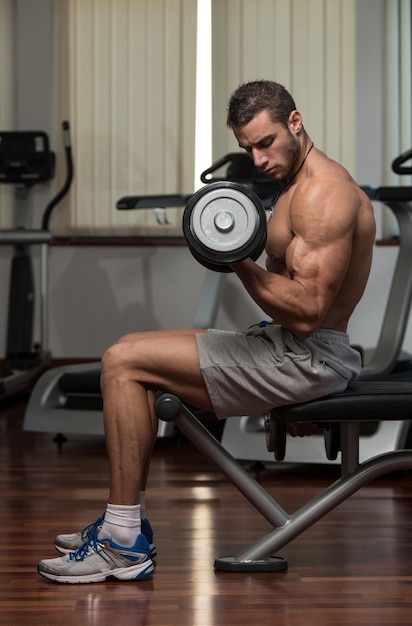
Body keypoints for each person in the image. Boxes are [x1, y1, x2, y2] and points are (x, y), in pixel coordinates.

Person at [38, 80, 376, 583]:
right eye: (247, 149)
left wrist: (237, 259)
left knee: (123, 364)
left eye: (266, 143)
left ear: (295, 123)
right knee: (128, 349)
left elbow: (306, 313)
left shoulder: (323, 194)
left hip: (308, 358)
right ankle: (122, 525)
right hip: (288, 346)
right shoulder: (292, 188)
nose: (257, 160)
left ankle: (123, 541)